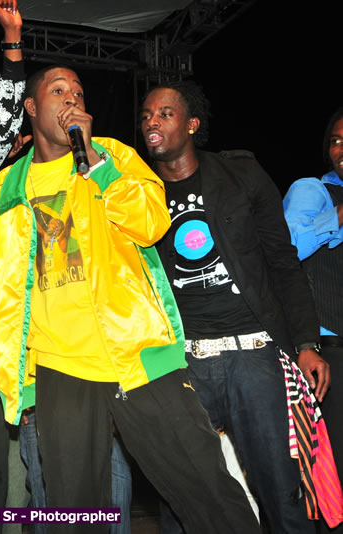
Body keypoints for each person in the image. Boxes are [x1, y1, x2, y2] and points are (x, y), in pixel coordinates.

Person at [0, 65, 260, 533]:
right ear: (31, 107)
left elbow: (151, 222)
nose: (72, 99)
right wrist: (21, 382)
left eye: (78, 92)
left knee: (208, 491)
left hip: (137, 352)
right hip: (60, 365)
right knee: (75, 515)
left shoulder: (113, 156)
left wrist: (95, 162)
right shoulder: (3, 190)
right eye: (58, 90)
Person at [140, 80, 329, 533]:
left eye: (165, 113)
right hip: (183, 364)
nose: (152, 122)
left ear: (192, 124)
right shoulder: (138, 193)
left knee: (281, 492)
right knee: (184, 498)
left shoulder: (240, 175)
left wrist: (306, 342)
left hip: (254, 357)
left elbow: (283, 262)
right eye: (146, 115)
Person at [283, 107, 343, 533]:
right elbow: (286, 245)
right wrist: (339, 215)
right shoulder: (314, 190)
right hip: (329, 356)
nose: (342, 149)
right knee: (330, 482)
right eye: (337, 140)